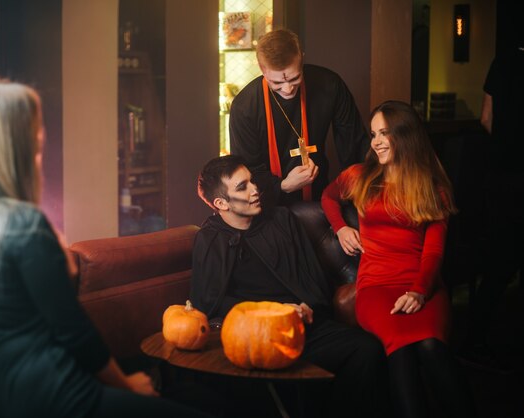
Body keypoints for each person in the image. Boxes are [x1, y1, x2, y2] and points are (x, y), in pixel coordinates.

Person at [0, 80, 209, 418]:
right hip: (53, 391)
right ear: (16, 141)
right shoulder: (24, 225)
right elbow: (74, 332)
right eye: (35, 125)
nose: (41, 133)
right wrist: (126, 385)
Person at [191, 155, 389, 418]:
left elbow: (312, 278)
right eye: (242, 187)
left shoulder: (282, 220)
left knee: (367, 349)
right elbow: (210, 301)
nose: (255, 190)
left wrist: (306, 308)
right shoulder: (209, 239)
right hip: (256, 337)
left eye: (252, 181)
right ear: (221, 203)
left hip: (306, 326)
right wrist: (273, 312)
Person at [321, 100, 477, 418]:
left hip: (423, 284)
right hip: (376, 285)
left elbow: (433, 251)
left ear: (405, 136)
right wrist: (341, 229)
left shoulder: (433, 189)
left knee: (432, 346)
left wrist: (420, 292)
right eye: (373, 133)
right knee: (401, 350)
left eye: (384, 134)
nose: (375, 141)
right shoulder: (360, 176)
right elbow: (327, 196)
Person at [229, 28, 369, 207]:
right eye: (277, 82)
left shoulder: (329, 85)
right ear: (262, 69)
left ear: (301, 59)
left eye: (295, 78)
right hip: (266, 205)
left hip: (321, 197)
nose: (288, 89)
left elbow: (354, 144)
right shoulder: (244, 106)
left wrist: (358, 194)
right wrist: (284, 186)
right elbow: (246, 170)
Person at [461, 45, 524, 371]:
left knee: (499, 266)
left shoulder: (505, 60)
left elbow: (487, 119)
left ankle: (475, 341)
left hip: (501, 178)